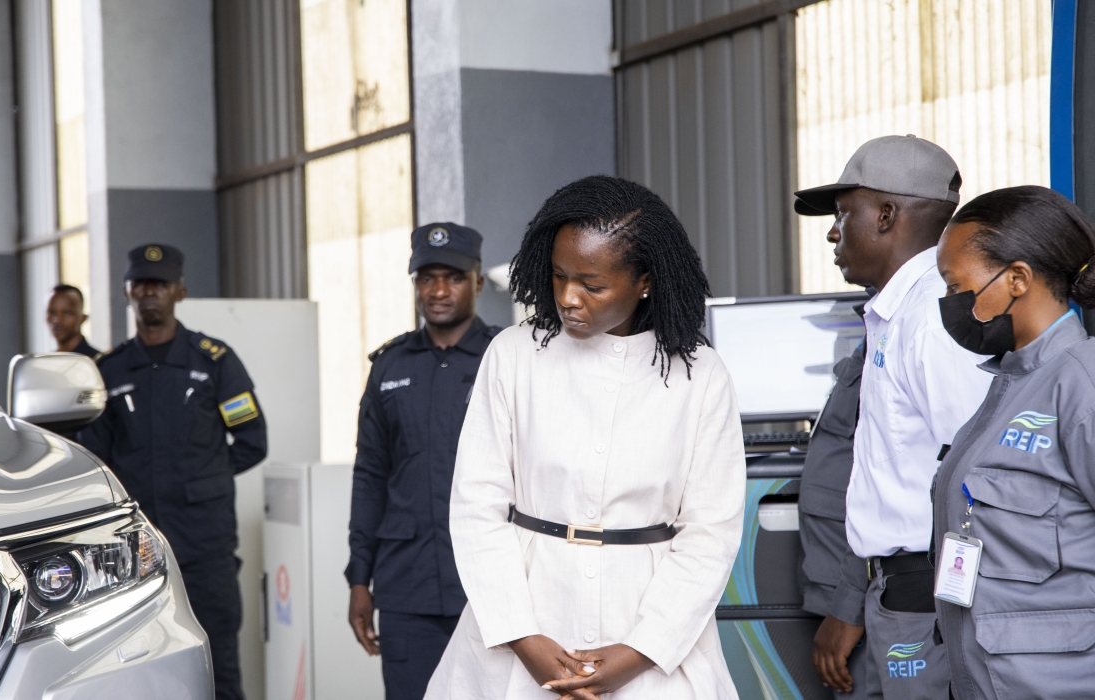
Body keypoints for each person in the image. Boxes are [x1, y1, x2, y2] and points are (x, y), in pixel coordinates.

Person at [425, 175, 745, 699]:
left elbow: (711, 532)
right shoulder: (513, 354)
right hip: (525, 624)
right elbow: (476, 508)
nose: (568, 298)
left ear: (644, 281)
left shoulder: (700, 375)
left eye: (592, 286)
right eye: (558, 276)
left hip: (648, 636)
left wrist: (639, 651)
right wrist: (523, 637)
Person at [794, 135, 992, 699]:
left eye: (842, 214)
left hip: (930, 595)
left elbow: (981, 476)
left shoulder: (932, 320)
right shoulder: (896, 312)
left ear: (885, 215)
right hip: (897, 593)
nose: (833, 233)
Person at [78, 244, 267, 700]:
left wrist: (204, 479)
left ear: (179, 291)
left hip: (205, 549)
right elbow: (94, 459)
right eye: (141, 284)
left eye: (160, 285)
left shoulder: (214, 362)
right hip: (131, 551)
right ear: (127, 292)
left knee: (218, 664)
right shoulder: (109, 370)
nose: (150, 293)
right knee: (133, 670)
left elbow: (252, 441)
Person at [932, 185, 1095, 699]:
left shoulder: (1081, 383)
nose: (950, 304)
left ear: (1017, 279)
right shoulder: (1011, 382)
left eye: (957, 287)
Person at [345, 222, 500, 700]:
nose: (438, 291)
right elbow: (370, 475)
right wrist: (359, 578)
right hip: (407, 587)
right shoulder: (390, 366)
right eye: (426, 278)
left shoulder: (504, 358)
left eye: (453, 278)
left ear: (477, 282)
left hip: (490, 584)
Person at [801, 329, 871, 697]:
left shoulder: (918, 327)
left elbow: (899, 494)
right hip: (849, 595)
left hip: (866, 604)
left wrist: (849, 609)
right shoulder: (882, 326)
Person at [47, 284, 99, 357]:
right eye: (52, 313)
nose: (57, 320)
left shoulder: (96, 361)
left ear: (83, 318)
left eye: (66, 313)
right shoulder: (45, 361)